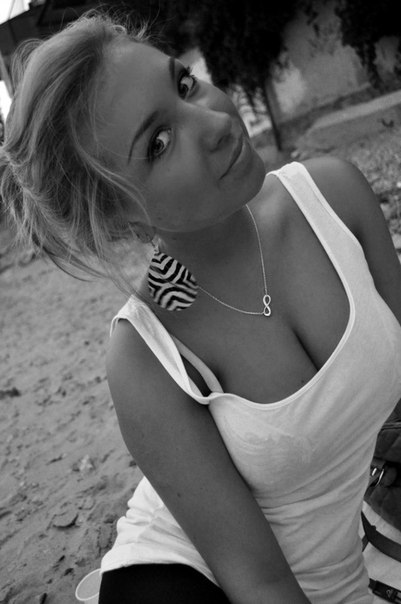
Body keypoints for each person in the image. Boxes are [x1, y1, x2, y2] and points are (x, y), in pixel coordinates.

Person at [1, 10, 401, 604]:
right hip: (202, 573)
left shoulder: (334, 197)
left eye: (184, 84)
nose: (214, 121)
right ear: (118, 214)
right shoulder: (146, 354)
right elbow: (260, 582)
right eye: (158, 144)